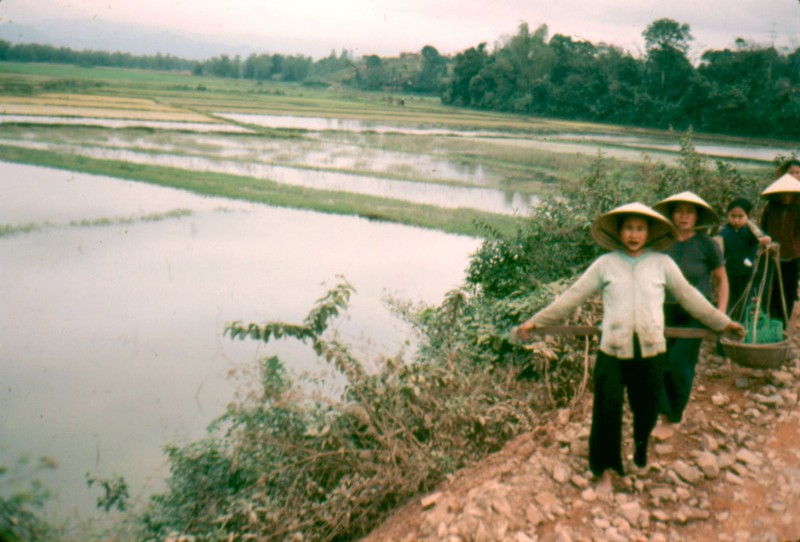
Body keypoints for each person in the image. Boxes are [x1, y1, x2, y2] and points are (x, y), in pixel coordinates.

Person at [512, 203, 743, 493]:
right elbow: (572, 297)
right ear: (620, 232)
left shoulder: (662, 263)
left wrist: (723, 323)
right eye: (629, 228)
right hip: (613, 351)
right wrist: (536, 321)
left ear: (649, 232)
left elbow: (689, 297)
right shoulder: (605, 264)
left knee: (646, 410)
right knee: (606, 411)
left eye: (640, 228)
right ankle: (603, 471)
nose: (634, 234)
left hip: (651, 351)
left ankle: (640, 451)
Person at [651, 191, 728, 442]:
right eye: (679, 211)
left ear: (697, 216)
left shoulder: (707, 245)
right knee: (657, 362)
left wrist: (720, 316)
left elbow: (721, 280)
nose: (683, 217)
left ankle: (673, 416)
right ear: (672, 214)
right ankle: (666, 412)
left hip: (696, 312)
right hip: (663, 310)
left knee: (679, 363)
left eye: (689, 212)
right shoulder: (661, 242)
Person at [759, 169, 800, 327]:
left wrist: (795, 248)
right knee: (770, 289)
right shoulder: (772, 207)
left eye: (789, 194)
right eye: (783, 193)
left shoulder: (798, 207)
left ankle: (782, 323)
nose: (785, 197)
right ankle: (768, 320)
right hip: (771, 254)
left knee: (788, 290)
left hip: (792, 256)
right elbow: (764, 226)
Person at [718, 197, 771, 314]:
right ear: (728, 216)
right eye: (733, 216)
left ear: (747, 216)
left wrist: (765, 240)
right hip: (730, 272)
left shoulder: (751, 231)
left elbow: (763, 239)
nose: (736, 220)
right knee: (729, 299)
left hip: (747, 272)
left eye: (740, 216)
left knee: (746, 300)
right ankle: (729, 321)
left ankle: (743, 323)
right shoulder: (724, 232)